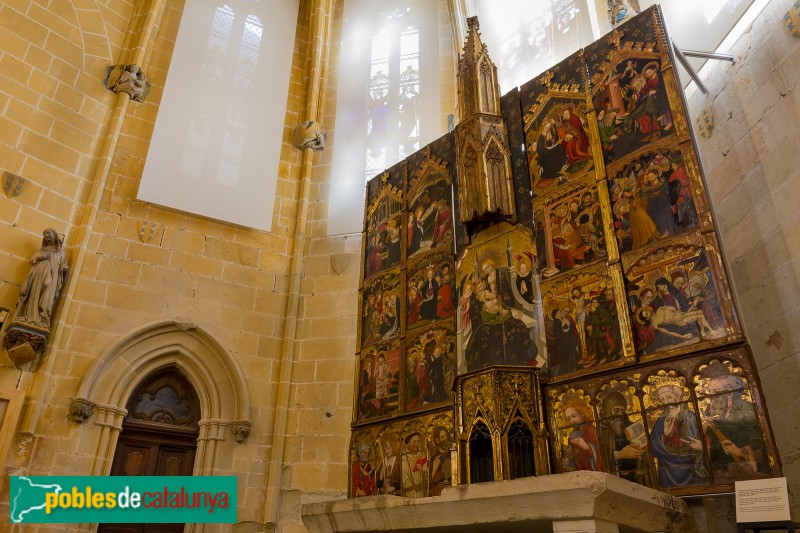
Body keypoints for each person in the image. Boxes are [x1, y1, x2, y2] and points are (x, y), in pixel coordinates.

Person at [700, 372, 770, 480]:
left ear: (730, 393)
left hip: (747, 471)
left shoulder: (747, 410)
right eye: (710, 393)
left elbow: (761, 446)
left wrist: (738, 451)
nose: (712, 399)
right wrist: (703, 430)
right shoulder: (710, 410)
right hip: (720, 471)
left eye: (716, 393)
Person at [649, 384, 708, 488]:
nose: (666, 402)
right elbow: (651, 448)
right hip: (667, 469)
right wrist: (665, 435)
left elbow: (704, 441)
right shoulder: (661, 420)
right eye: (662, 399)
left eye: (669, 397)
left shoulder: (691, 417)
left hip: (691, 464)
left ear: (678, 396)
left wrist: (702, 446)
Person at [12, 228, 69, 330]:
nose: (45, 236)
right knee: (34, 293)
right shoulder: (41, 250)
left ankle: (42, 319)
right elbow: (32, 261)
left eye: (48, 233)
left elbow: (63, 266)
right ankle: (29, 317)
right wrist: (40, 258)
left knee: (47, 296)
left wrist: (63, 268)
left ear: (55, 235)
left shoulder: (61, 253)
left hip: (51, 277)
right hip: (37, 275)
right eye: (44, 234)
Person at [598, 391, 652, 485]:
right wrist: (621, 454)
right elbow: (600, 455)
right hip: (614, 476)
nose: (620, 414)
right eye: (616, 410)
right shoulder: (602, 432)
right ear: (607, 411)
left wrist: (640, 454)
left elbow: (646, 453)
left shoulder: (632, 427)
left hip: (635, 476)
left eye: (623, 410)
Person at [563, 399, 603, 471]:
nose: (572, 421)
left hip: (593, 471)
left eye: (574, 416)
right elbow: (574, 461)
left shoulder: (591, 430)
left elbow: (601, 451)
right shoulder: (572, 436)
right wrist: (569, 457)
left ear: (582, 414)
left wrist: (588, 447)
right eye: (569, 419)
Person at [401, 432, 428, 498]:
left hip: (422, 493)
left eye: (418, 442)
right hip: (410, 494)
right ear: (408, 443)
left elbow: (427, 475)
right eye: (414, 442)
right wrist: (414, 488)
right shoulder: (403, 459)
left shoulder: (422, 456)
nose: (416, 444)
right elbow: (404, 479)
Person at [429, 426, 452, 496]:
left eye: (446, 436)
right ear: (437, 440)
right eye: (442, 437)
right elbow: (429, 481)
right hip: (439, 493)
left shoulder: (451, 454)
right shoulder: (434, 459)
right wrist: (434, 470)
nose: (445, 439)